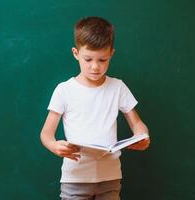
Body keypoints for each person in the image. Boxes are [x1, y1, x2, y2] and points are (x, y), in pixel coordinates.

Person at [40, 16, 150, 200]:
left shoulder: (118, 87)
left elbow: (138, 124)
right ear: (76, 53)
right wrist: (53, 146)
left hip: (110, 177)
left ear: (111, 54)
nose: (95, 66)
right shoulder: (64, 90)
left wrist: (142, 137)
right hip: (75, 178)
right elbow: (46, 133)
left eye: (102, 60)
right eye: (88, 59)